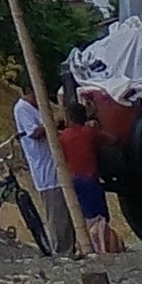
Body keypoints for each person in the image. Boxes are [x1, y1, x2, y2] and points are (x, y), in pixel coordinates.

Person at [12, 89, 73, 253]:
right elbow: (35, 132)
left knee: (66, 212)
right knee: (56, 213)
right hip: (46, 171)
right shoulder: (22, 108)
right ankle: (61, 250)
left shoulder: (39, 108)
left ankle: (71, 246)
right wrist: (53, 121)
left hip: (57, 166)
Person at [57, 105, 114, 253]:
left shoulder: (64, 136)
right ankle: (100, 246)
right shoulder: (89, 132)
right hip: (90, 179)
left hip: (73, 180)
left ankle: (86, 246)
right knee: (99, 217)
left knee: (84, 216)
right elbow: (111, 140)